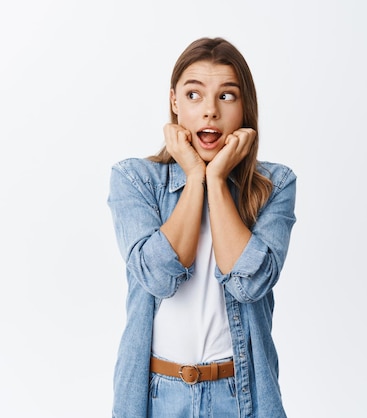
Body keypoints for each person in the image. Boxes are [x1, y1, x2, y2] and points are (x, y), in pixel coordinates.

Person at [107, 37, 296, 418]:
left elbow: (249, 283)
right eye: (194, 95)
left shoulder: (275, 184)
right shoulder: (135, 179)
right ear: (174, 102)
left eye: (227, 96)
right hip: (158, 396)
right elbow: (159, 277)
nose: (210, 111)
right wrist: (195, 177)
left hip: (240, 394)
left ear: (245, 107)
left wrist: (219, 177)